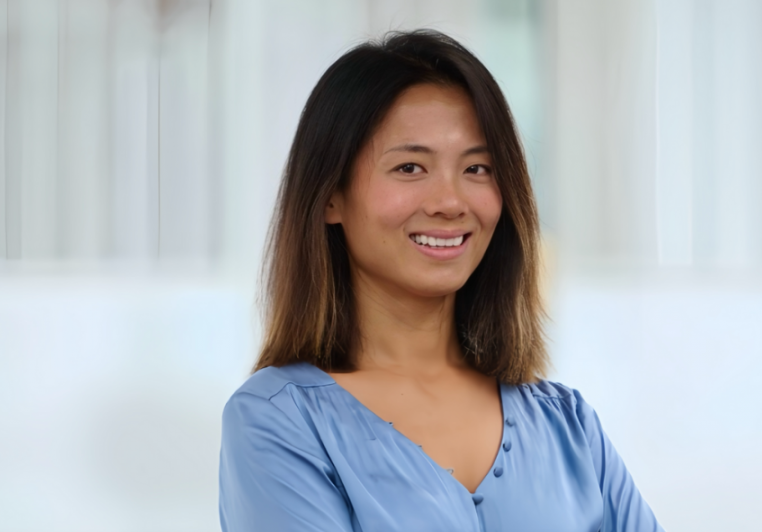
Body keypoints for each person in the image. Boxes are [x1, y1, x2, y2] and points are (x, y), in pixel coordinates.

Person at [218, 30, 664, 532]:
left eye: (477, 168)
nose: (451, 203)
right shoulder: (277, 422)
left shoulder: (568, 425)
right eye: (410, 167)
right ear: (329, 197)